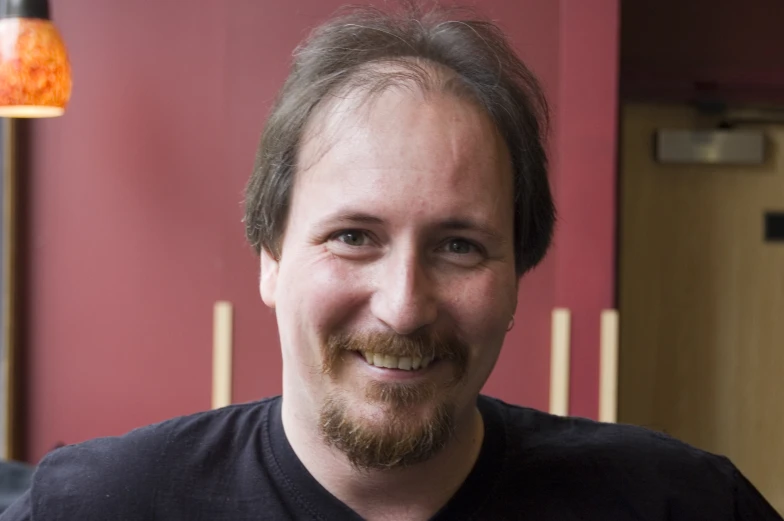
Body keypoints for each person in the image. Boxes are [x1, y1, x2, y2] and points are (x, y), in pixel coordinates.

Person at [2, 4, 782, 521]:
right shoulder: (99, 506)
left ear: (516, 277)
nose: (404, 305)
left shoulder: (682, 506)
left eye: (459, 245)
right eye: (353, 236)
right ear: (271, 259)